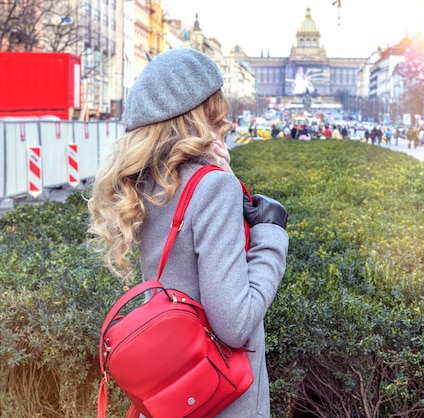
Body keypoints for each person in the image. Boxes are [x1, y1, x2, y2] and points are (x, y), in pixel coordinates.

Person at [87, 48, 289, 418]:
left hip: (175, 389)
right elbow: (235, 323)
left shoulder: (145, 183)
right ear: (202, 111)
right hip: (220, 395)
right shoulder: (212, 187)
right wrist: (272, 235)